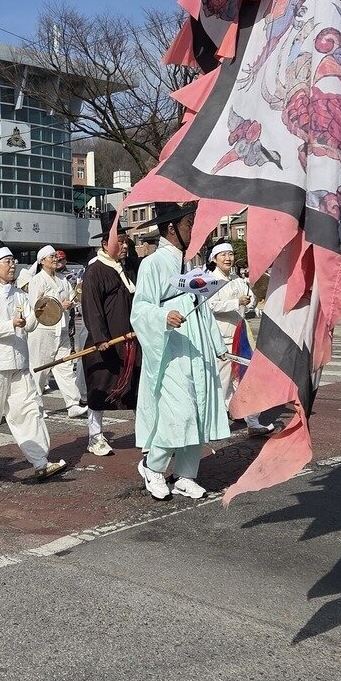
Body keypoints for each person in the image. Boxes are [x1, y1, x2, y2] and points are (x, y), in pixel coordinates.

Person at [130, 203, 230, 501]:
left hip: (195, 350)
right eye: (188, 224)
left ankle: (186, 476)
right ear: (172, 228)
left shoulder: (189, 266)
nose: (193, 229)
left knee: (198, 413)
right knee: (180, 414)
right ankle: (152, 465)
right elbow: (140, 309)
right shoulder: (153, 264)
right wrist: (164, 317)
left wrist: (217, 345)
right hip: (171, 352)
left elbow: (203, 310)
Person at [0, 246, 67, 482]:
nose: (12, 265)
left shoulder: (20, 296)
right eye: (6, 262)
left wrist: (43, 311)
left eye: (13, 261)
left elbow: (30, 325)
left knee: (29, 411)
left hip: (19, 362)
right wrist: (12, 323)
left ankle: (40, 462)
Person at [79, 211, 141, 457]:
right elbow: (91, 307)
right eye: (121, 241)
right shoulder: (95, 270)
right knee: (100, 390)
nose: (125, 246)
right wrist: (100, 337)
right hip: (106, 343)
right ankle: (95, 438)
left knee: (137, 387)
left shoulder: (126, 268)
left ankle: (145, 433)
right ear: (106, 244)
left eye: (126, 241)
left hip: (131, 340)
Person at [206, 242, 271, 434]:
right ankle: (217, 423)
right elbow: (210, 306)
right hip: (222, 339)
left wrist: (250, 301)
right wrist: (236, 302)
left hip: (241, 335)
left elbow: (250, 301)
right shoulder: (209, 280)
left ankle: (253, 421)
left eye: (231, 254)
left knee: (248, 378)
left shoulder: (237, 279)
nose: (228, 258)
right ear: (214, 259)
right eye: (223, 255)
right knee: (222, 383)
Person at [26, 245, 87, 418]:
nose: (55, 259)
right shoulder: (37, 280)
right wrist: (61, 304)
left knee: (65, 366)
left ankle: (73, 403)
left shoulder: (62, 280)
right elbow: (37, 306)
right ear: (41, 261)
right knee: (40, 369)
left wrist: (74, 299)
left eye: (55, 256)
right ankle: (35, 406)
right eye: (51, 256)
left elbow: (70, 298)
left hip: (61, 329)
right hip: (43, 331)